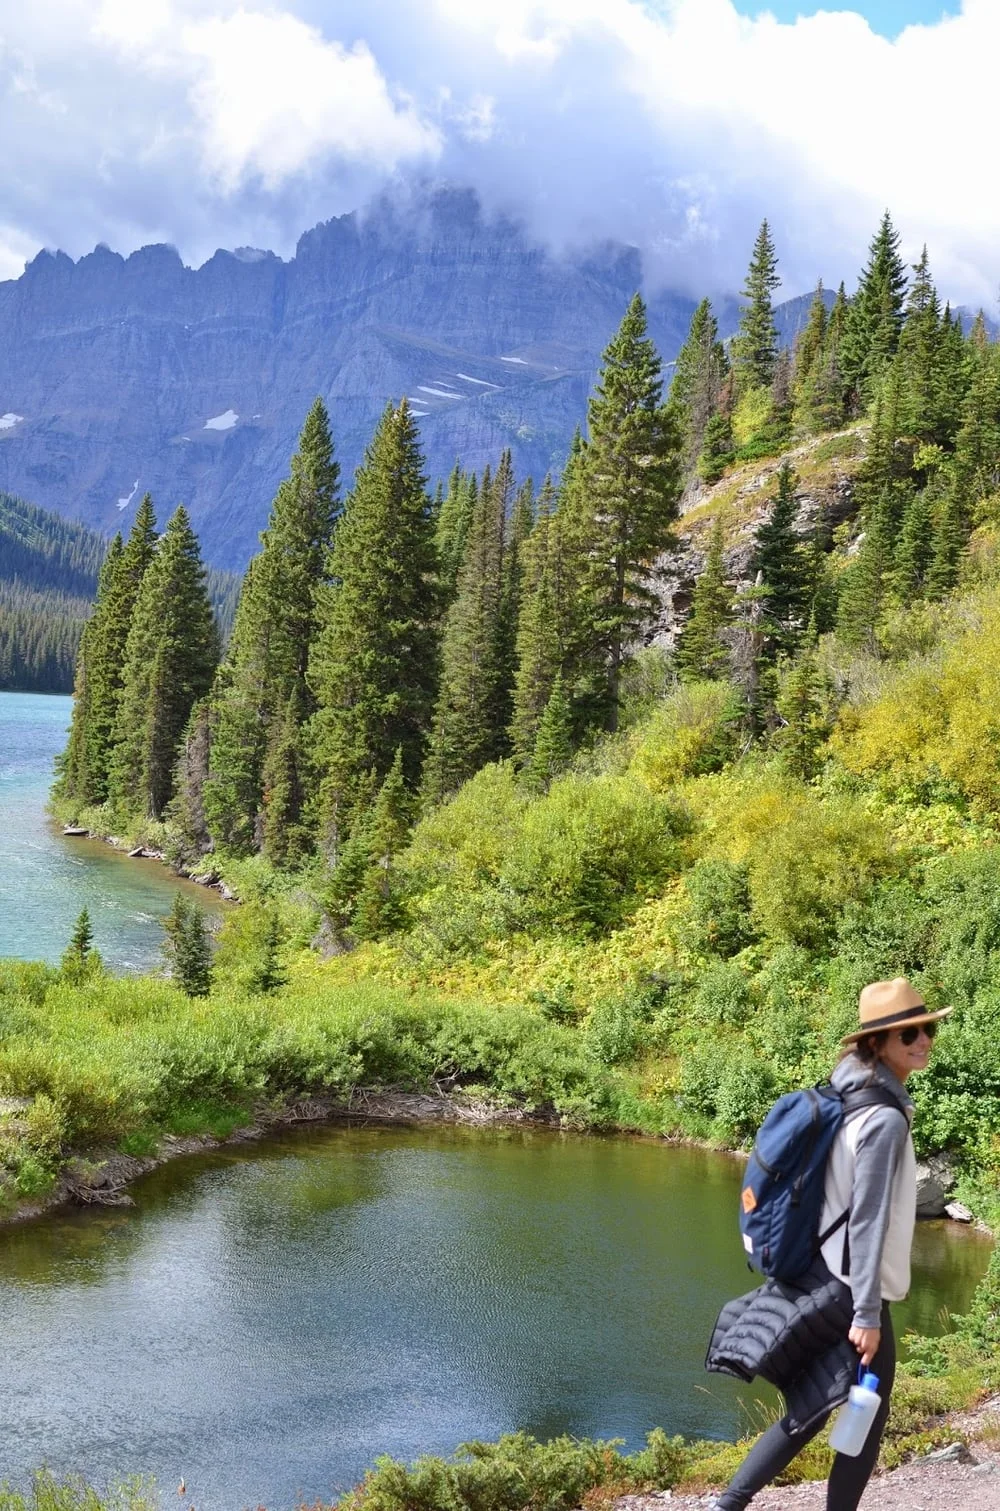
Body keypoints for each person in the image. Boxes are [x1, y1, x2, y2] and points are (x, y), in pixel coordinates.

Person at [711, 977, 951, 1511]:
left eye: (927, 1029)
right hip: (852, 1289)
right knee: (864, 1417)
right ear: (876, 1043)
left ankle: (726, 1505)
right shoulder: (883, 1117)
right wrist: (866, 1313)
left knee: (812, 1411)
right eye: (909, 1033)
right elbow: (867, 1221)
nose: (923, 1040)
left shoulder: (845, 1096)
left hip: (820, 1274)